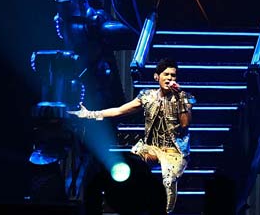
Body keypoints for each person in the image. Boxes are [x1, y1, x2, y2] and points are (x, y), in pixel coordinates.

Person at [68, 57, 195, 214]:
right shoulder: (147, 96)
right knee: (132, 167)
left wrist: (179, 98)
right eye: (166, 74)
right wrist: (90, 114)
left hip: (174, 150)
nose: (170, 78)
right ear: (157, 77)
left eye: (173, 75)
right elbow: (120, 110)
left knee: (168, 184)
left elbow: (185, 124)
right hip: (151, 147)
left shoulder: (184, 98)